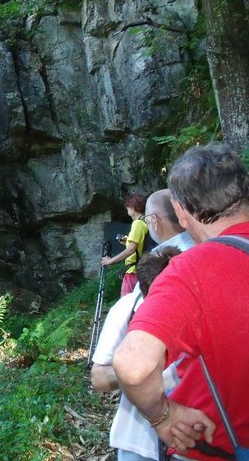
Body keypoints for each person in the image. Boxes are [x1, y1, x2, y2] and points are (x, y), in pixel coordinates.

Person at [113, 143, 249, 461]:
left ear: (181, 212)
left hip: (216, 448)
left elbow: (132, 365)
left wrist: (164, 416)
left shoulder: (188, 272)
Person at [91, 188, 193, 461]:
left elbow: (99, 378)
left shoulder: (144, 290)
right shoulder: (217, 261)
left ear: (154, 222)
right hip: (207, 429)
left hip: (144, 435)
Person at [102, 193, 149, 296]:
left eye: (128, 207)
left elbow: (131, 250)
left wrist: (110, 261)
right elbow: (140, 245)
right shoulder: (145, 222)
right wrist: (127, 241)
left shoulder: (137, 223)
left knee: (126, 305)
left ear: (133, 207)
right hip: (141, 270)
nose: (127, 209)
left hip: (133, 272)